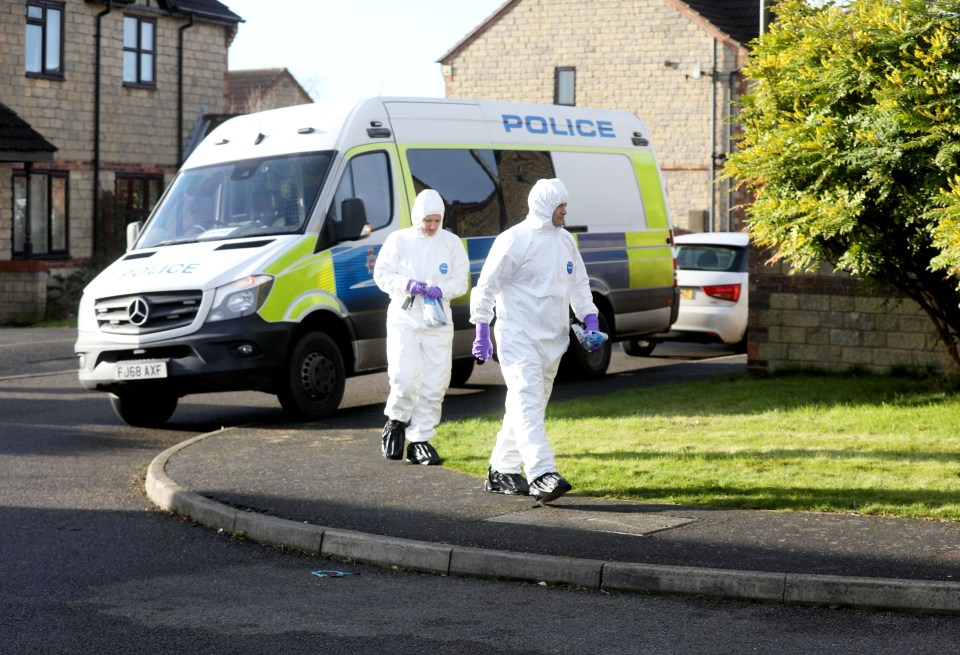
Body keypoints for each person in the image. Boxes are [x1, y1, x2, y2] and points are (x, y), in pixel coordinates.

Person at [470, 178, 605, 504]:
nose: (565, 211)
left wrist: (589, 317)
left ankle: (501, 470)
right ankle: (542, 473)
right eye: (560, 205)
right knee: (528, 404)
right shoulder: (515, 240)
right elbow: (486, 285)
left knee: (525, 406)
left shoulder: (565, 242)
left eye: (565, 204)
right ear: (545, 206)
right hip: (519, 338)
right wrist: (482, 328)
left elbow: (579, 283)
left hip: (553, 340)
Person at [373, 189, 469, 465]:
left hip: (437, 320)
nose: (431, 226)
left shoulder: (451, 243)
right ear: (418, 217)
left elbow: (461, 280)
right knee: (404, 377)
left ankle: (421, 439)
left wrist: (440, 289)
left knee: (436, 382)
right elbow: (382, 274)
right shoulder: (399, 240)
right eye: (427, 220)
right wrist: (406, 285)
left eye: (436, 221)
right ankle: (396, 420)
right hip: (405, 317)